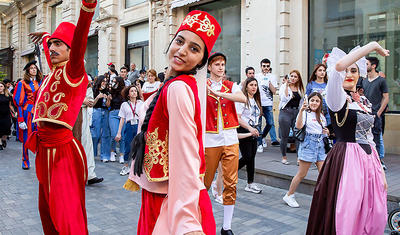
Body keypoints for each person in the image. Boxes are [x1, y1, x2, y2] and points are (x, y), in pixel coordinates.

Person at [123, 10, 221, 235]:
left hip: (171, 199)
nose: (183, 50)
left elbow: (187, 153)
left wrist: (186, 221)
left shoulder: (177, 88)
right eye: (180, 41)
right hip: (163, 193)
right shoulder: (171, 85)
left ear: (201, 61)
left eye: (194, 49)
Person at [27, 0, 97, 233]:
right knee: (46, 210)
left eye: (59, 44)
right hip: (44, 149)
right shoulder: (53, 71)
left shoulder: (73, 71)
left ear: (71, 51)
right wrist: (48, 36)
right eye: (52, 45)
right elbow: (50, 50)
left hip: (62, 152)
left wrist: (87, 8)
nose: (53, 49)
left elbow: (78, 42)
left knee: (66, 215)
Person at [306, 42, 389, 235]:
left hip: (369, 162)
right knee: (348, 210)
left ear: (360, 74)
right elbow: (337, 69)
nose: (349, 74)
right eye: (347, 70)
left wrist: (381, 173)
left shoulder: (363, 101)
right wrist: (373, 46)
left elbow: (369, 138)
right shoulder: (336, 98)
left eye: (354, 70)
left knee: (374, 211)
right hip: (347, 161)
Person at [204, 52, 246, 235]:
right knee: (203, 183)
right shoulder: (201, 85)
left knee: (231, 183)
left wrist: (219, 92)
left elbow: (242, 98)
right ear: (209, 67)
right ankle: (199, 220)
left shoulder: (231, 85)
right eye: (217, 64)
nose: (221, 67)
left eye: (223, 64)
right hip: (210, 139)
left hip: (230, 139)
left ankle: (226, 227)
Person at [283, 92, 328, 207]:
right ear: (308, 101)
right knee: (302, 174)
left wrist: (326, 132)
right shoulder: (304, 113)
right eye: (312, 100)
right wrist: (302, 110)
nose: (314, 103)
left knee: (323, 173)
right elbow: (298, 126)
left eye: (317, 101)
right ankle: (289, 195)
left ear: (320, 103)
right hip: (308, 145)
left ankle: (324, 197)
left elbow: (323, 130)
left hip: (320, 145)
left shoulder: (321, 116)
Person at [72, 78, 104, 185]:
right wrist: (81, 100)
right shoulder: (65, 80)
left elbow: (90, 101)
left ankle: (89, 174)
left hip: (83, 118)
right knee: (73, 147)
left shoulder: (85, 82)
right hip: (70, 118)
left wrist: (86, 100)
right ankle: (73, 175)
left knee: (87, 144)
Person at [13, 60, 42, 169]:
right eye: (31, 68)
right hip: (28, 112)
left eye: (35, 68)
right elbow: (19, 102)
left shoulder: (41, 82)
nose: (34, 69)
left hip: (40, 113)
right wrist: (20, 119)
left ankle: (41, 161)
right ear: (28, 71)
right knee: (26, 138)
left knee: (41, 138)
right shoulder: (22, 83)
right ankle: (25, 161)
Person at [236, 77, 262, 194]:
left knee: (251, 158)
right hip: (244, 130)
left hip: (254, 131)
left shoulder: (255, 99)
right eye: (251, 85)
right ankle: (229, 173)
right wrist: (249, 128)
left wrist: (255, 129)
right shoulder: (243, 99)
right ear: (246, 86)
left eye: (255, 85)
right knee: (247, 157)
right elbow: (238, 117)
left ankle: (250, 184)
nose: (254, 87)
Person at [362, 56, 389, 170]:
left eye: (367, 64)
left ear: (373, 66)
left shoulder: (381, 81)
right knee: (364, 139)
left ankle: (377, 163)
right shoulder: (363, 80)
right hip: (364, 115)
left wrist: (378, 112)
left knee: (376, 139)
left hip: (375, 116)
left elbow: (386, 97)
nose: (365, 66)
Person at [115, 84, 143, 175]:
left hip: (139, 125)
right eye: (132, 91)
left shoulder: (141, 103)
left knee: (140, 146)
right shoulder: (124, 105)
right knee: (129, 146)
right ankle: (126, 166)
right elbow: (122, 119)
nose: (134, 92)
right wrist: (119, 133)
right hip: (129, 126)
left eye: (135, 91)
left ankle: (138, 167)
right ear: (128, 94)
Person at [278, 70, 304, 164]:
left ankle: (298, 158)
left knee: (297, 135)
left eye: (295, 76)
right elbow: (283, 98)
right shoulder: (284, 86)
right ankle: (284, 157)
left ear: (298, 78)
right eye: (291, 76)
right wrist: (286, 86)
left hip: (296, 112)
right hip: (286, 112)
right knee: (284, 136)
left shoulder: (300, 88)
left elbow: (302, 101)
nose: (293, 78)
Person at [255, 58, 279, 153]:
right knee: (258, 125)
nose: (266, 68)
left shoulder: (272, 77)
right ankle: (259, 144)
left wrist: (269, 83)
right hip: (258, 103)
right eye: (264, 66)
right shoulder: (257, 76)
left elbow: (274, 91)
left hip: (268, 104)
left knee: (270, 123)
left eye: (267, 66)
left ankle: (262, 137)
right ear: (261, 66)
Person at [91, 75, 111, 162]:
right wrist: (98, 97)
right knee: (95, 134)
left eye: (105, 81)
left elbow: (108, 105)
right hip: (96, 111)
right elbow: (92, 104)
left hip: (105, 112)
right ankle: (92, 153)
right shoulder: (94, 90)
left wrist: (108, 99)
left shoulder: (107, 92)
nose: (104, 83)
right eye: (103, 81)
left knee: (105, 134)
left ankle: (105, 155)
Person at [107, 76, 125, 162]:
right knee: (114, 134)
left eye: (115, 82)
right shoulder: (111, 92)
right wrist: (108, 99)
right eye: (113, 82)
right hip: (113, 113)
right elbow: (108, 105)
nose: (113, 83)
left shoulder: (124, 92)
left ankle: (122, 154)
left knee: (122, 135)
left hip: (122, 114)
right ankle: (112, 151)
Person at [0, 82, 15, 150]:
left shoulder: (8, 95)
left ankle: (4, 139)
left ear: (4, 87)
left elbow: (10, 105)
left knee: (7, 128)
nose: (0, 88)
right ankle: (0, 143)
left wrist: (14, 112)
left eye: (1, 86)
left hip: (6, 115)